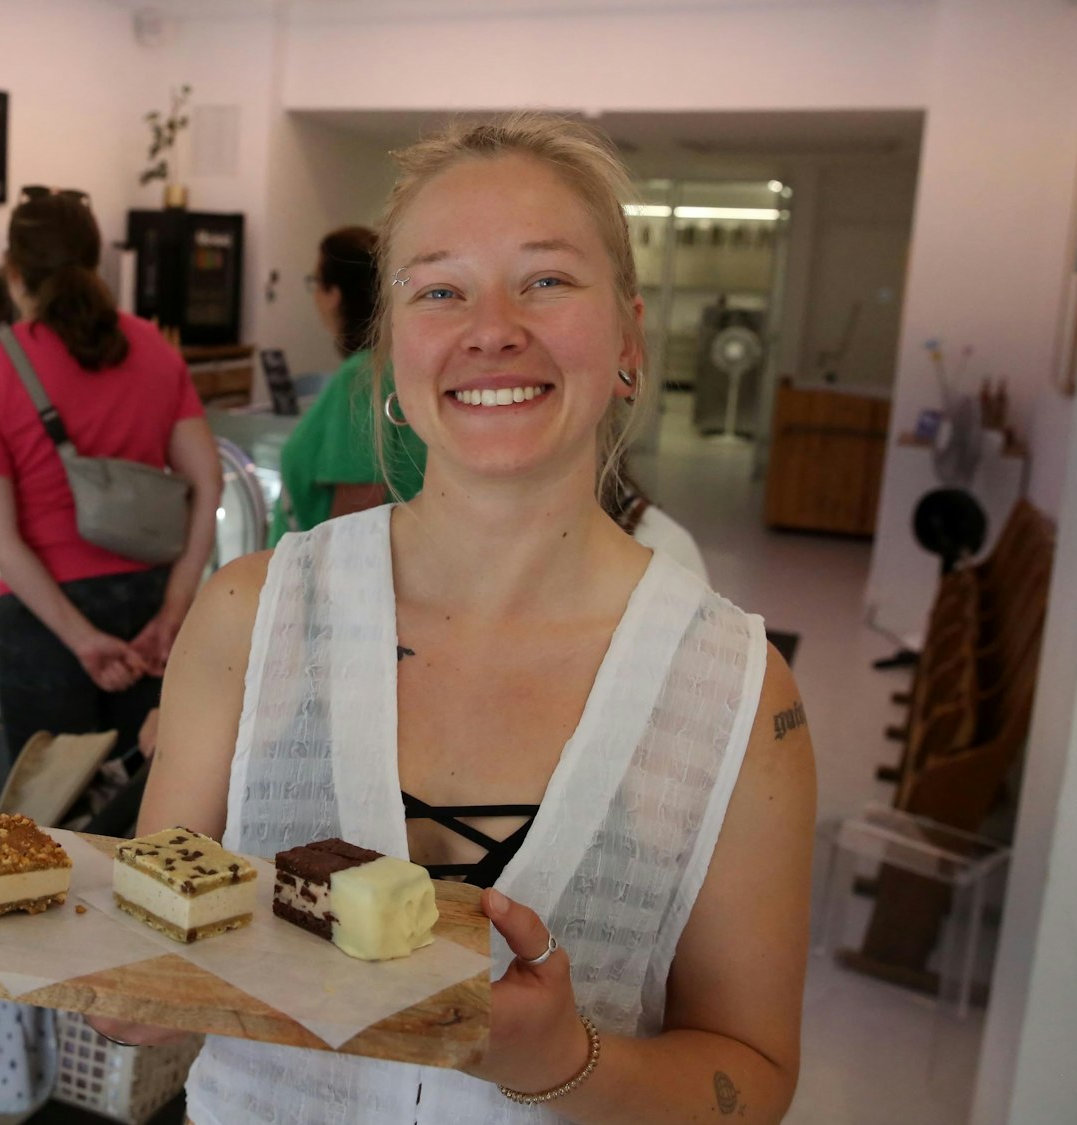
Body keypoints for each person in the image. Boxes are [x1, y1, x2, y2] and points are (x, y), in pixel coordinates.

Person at [95, 115, 815, 1123]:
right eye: (439, 290)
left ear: (627, 342)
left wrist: (564, 1060)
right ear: (386, 359)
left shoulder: (734, 693)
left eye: (546, 280)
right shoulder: (247, 616)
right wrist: (132, 989)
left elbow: (750, 1078)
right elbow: (151, 945)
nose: (491, 328)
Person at [0, 186, 223, 760]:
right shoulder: (153, 347)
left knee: (51, 819)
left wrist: (81, 640)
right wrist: (176, 607)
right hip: (150, 606)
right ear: (97, 260)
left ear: (13, 270)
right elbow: (208, 481)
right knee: (147, 813)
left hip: (45, 622)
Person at [271, 227, 428, 543]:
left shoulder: (360, 377)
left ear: (334, 294)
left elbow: (356, 512)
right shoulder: (395, 368)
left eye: (315, 282)